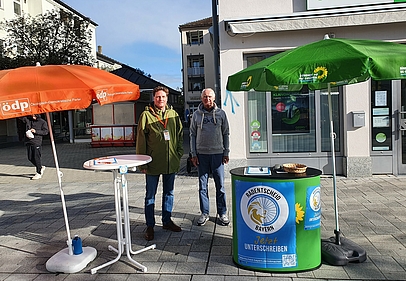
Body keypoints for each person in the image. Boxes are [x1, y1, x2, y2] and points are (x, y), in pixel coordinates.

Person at [136, 86, 184, 241]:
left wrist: (178, 153)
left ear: (167, 98)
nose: (160, 99)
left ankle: (167, 221)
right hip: (152, 162)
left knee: (169, 193)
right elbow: (141, 141)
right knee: (150, 195)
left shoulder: (173, 114)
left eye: (163, 97)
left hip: (171, 161)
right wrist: (142, 163)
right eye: (157, 97)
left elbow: (179, 135)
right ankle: (150, 225)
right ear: (153, 98)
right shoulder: (146, 115)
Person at [189, 88, 230, 226]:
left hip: (218, 154)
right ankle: (205, 212)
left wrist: (226, 152)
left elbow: (226, 133)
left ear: (214, 98)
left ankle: (222, 213)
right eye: (205, 97)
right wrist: (193, 154)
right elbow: (192, 135)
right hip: (202, 155)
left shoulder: (221, 114)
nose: (208, 99)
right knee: (202, 186)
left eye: (210, 97)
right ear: (202, 98)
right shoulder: (196, 115)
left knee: (221, 186)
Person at [21, 114, 49, 180]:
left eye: (34, 116)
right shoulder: (28, 120)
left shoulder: (42, 122)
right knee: (30, 157)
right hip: (28, 141)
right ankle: (40, 167)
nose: (33, 117)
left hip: (37, 141)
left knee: (36, 157)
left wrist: (36, 131)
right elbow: (22, 118)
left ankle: (38, 172)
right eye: (32, 115)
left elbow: (45, 131)